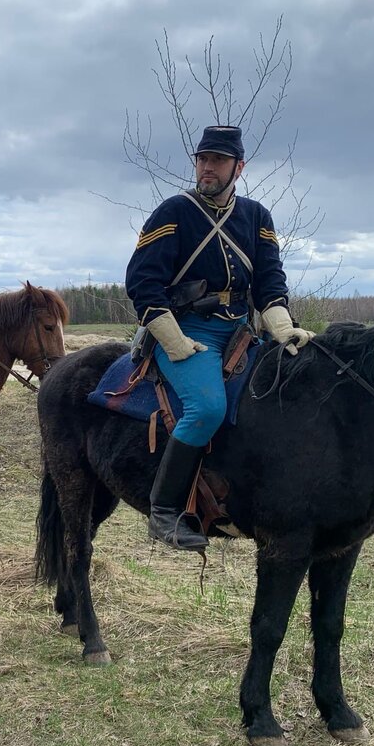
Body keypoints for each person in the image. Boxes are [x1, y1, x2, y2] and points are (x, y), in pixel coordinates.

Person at [125, 125, 314, 550]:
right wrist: (171, 338)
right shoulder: (174, 210)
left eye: (218, 161)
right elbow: (142, 281)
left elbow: (269, 280)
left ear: (238, 167)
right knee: (207, 407)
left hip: (241, 332)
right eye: (202, 159)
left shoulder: (256, 217)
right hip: (187, 329)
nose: (207, 168)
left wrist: (282, 327)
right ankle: (165, 511)